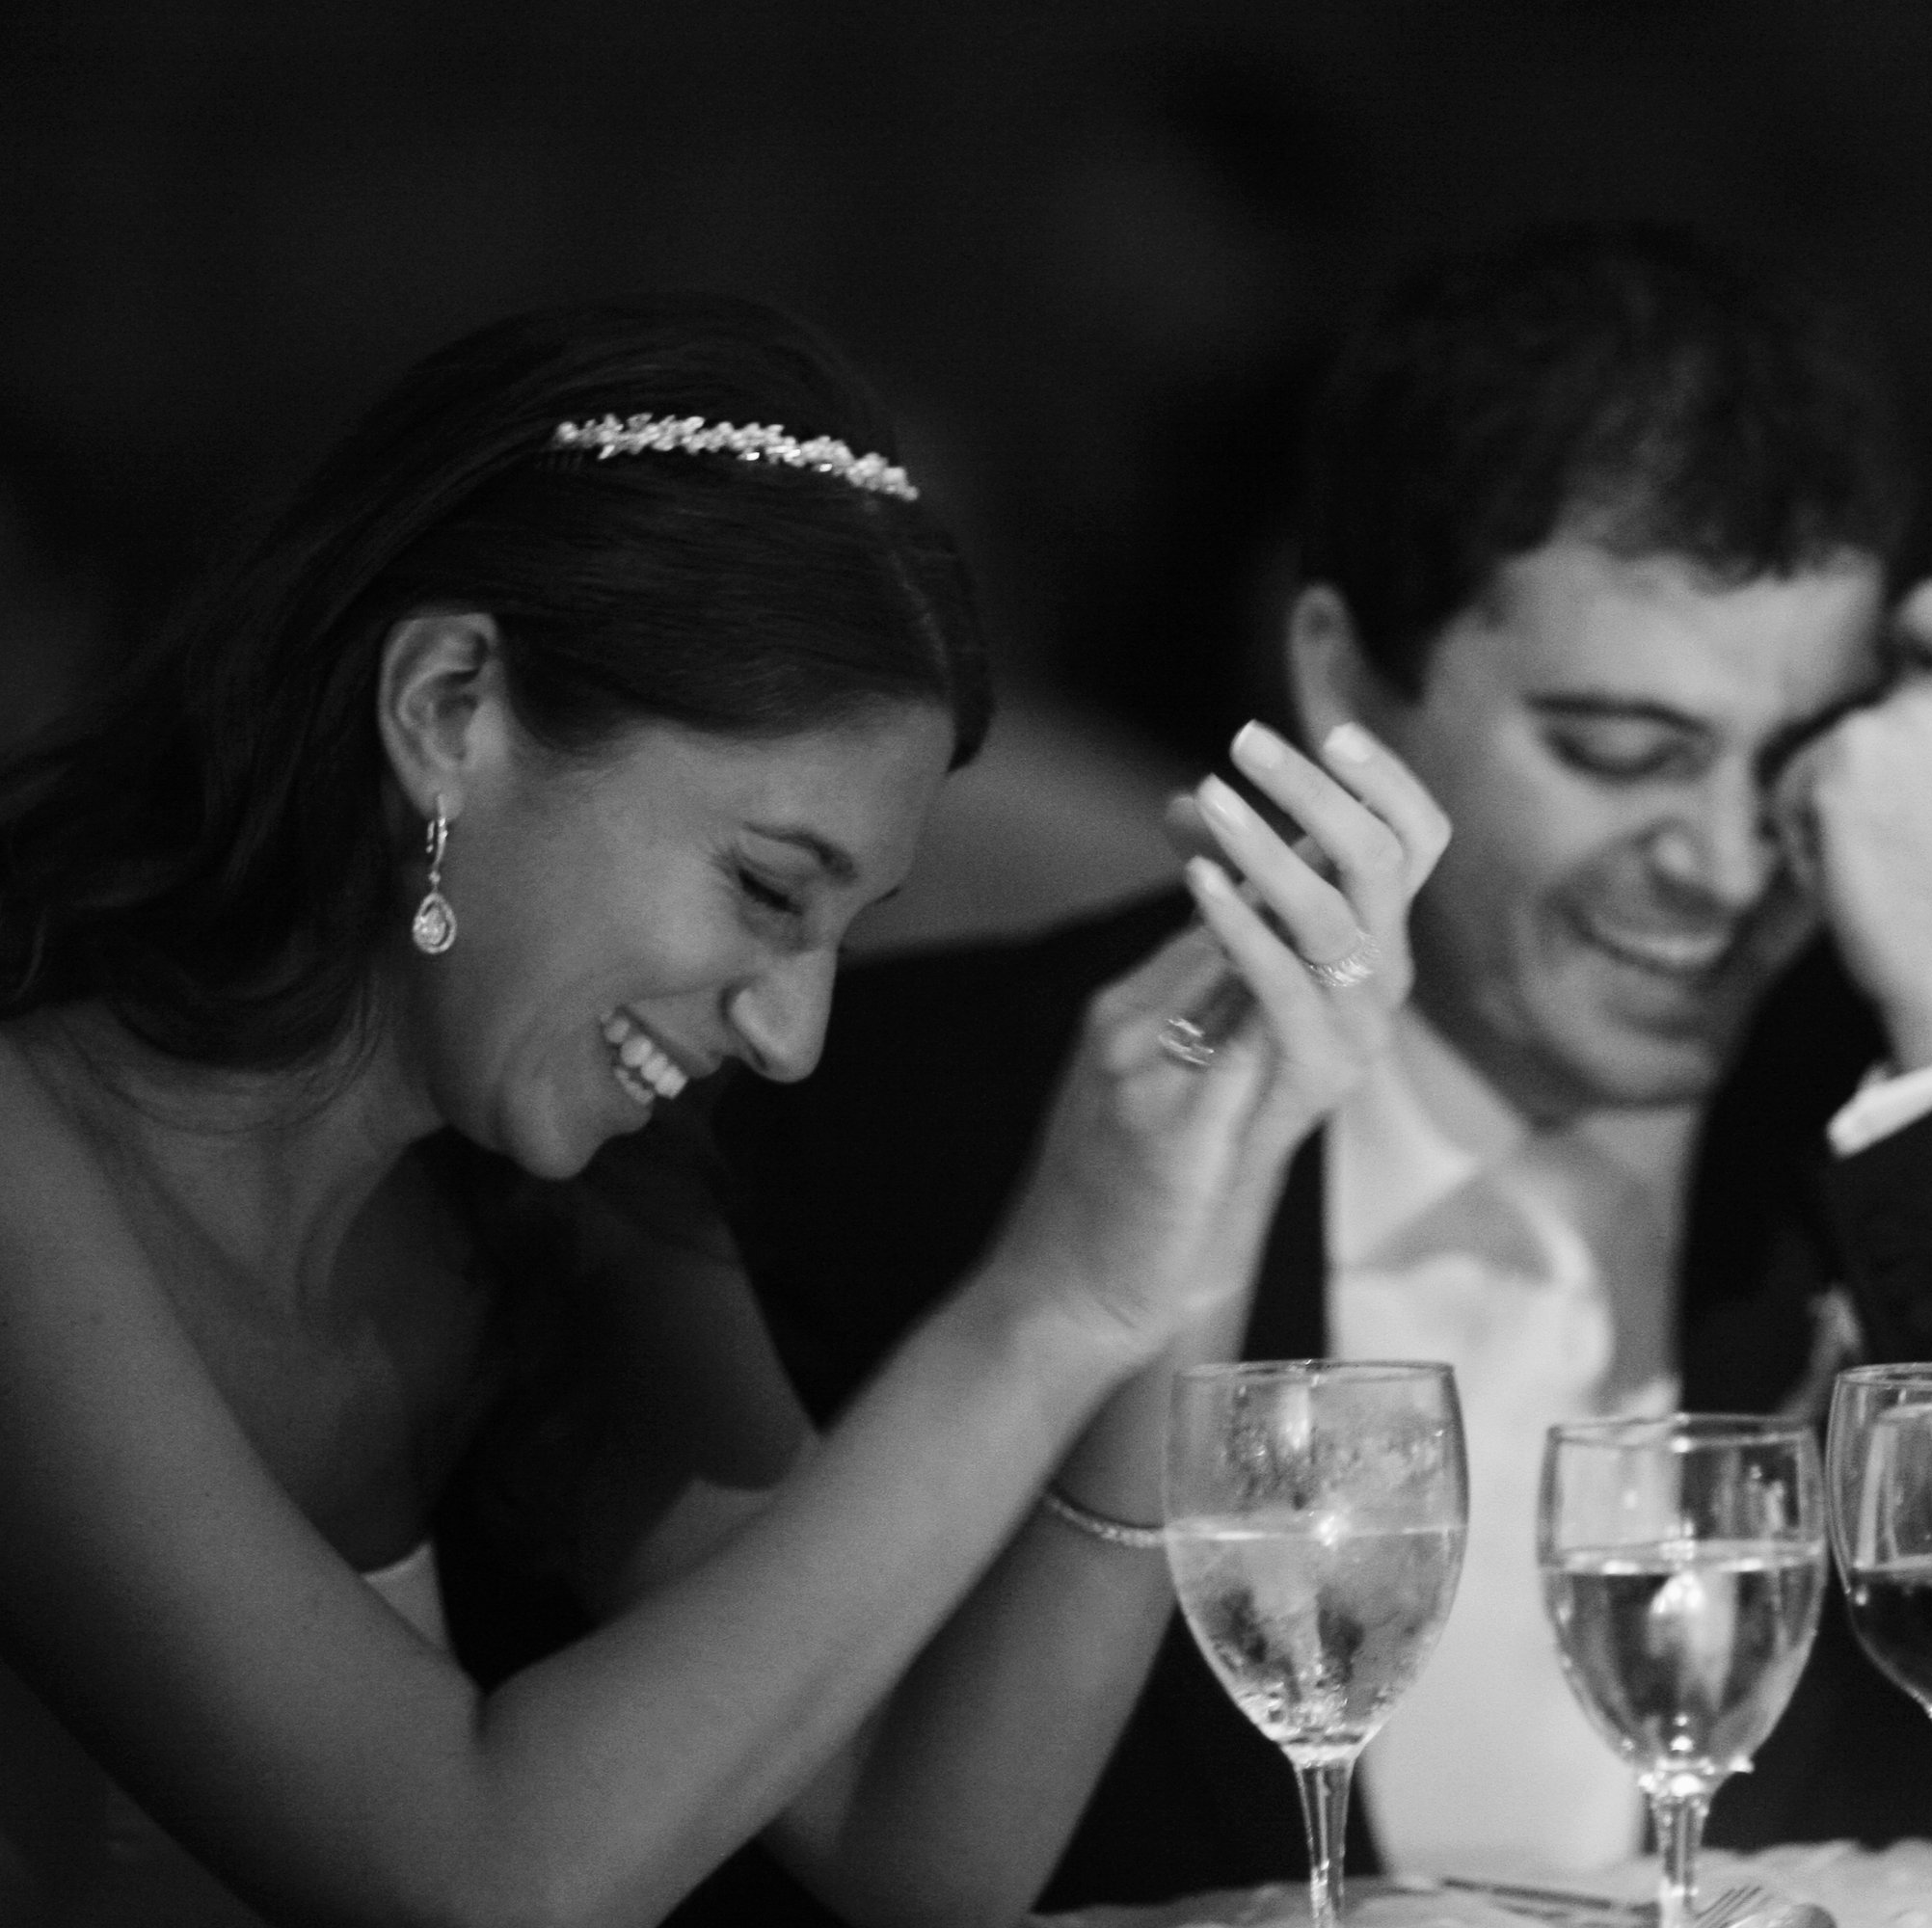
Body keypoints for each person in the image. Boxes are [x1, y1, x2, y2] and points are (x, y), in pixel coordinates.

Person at [717, 222, 1932, 1905]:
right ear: (1342, 675)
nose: (1718, 859)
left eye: (1804, 755)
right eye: (1619, 751)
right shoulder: (921, 1108)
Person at [0, 293, 1449, 1928]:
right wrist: (1039, 1308)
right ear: (448, 709)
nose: (795, 1033)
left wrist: (1186, 1230)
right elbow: (482, 1878)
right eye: (768, 887)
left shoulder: (560, 1202)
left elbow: (923, 1856)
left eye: (846, 930)